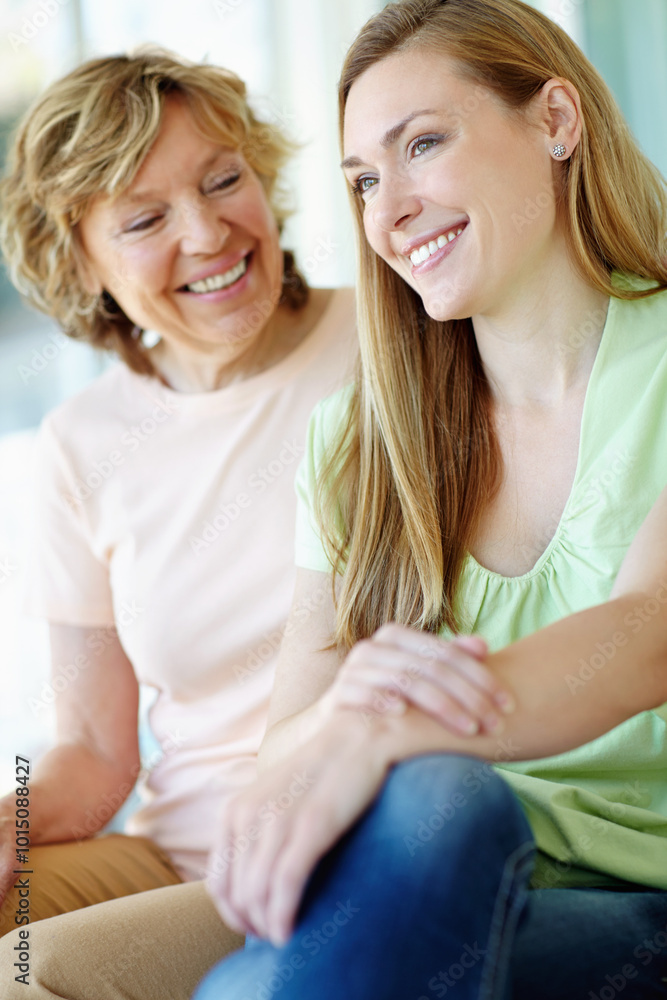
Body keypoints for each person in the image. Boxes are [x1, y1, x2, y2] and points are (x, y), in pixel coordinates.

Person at [191, 1, 667, 997]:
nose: (389, 212)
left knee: (436, 796)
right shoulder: (355, 441)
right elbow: (286, 748)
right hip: (423, 877)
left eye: (422, 145)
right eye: (364, 180)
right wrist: (346, 715)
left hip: (638, 901)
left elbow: (645, 633)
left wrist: (392, 721)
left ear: (555, 122)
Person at [0, 49, 356, 997]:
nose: (206, 233)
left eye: (223, 180)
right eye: (145, 219)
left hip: (323, 853)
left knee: (24, 976)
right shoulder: (79, 444)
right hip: (166, 857)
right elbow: (95, 754)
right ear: (79, 261)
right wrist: (12, 819)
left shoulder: (393, 342)